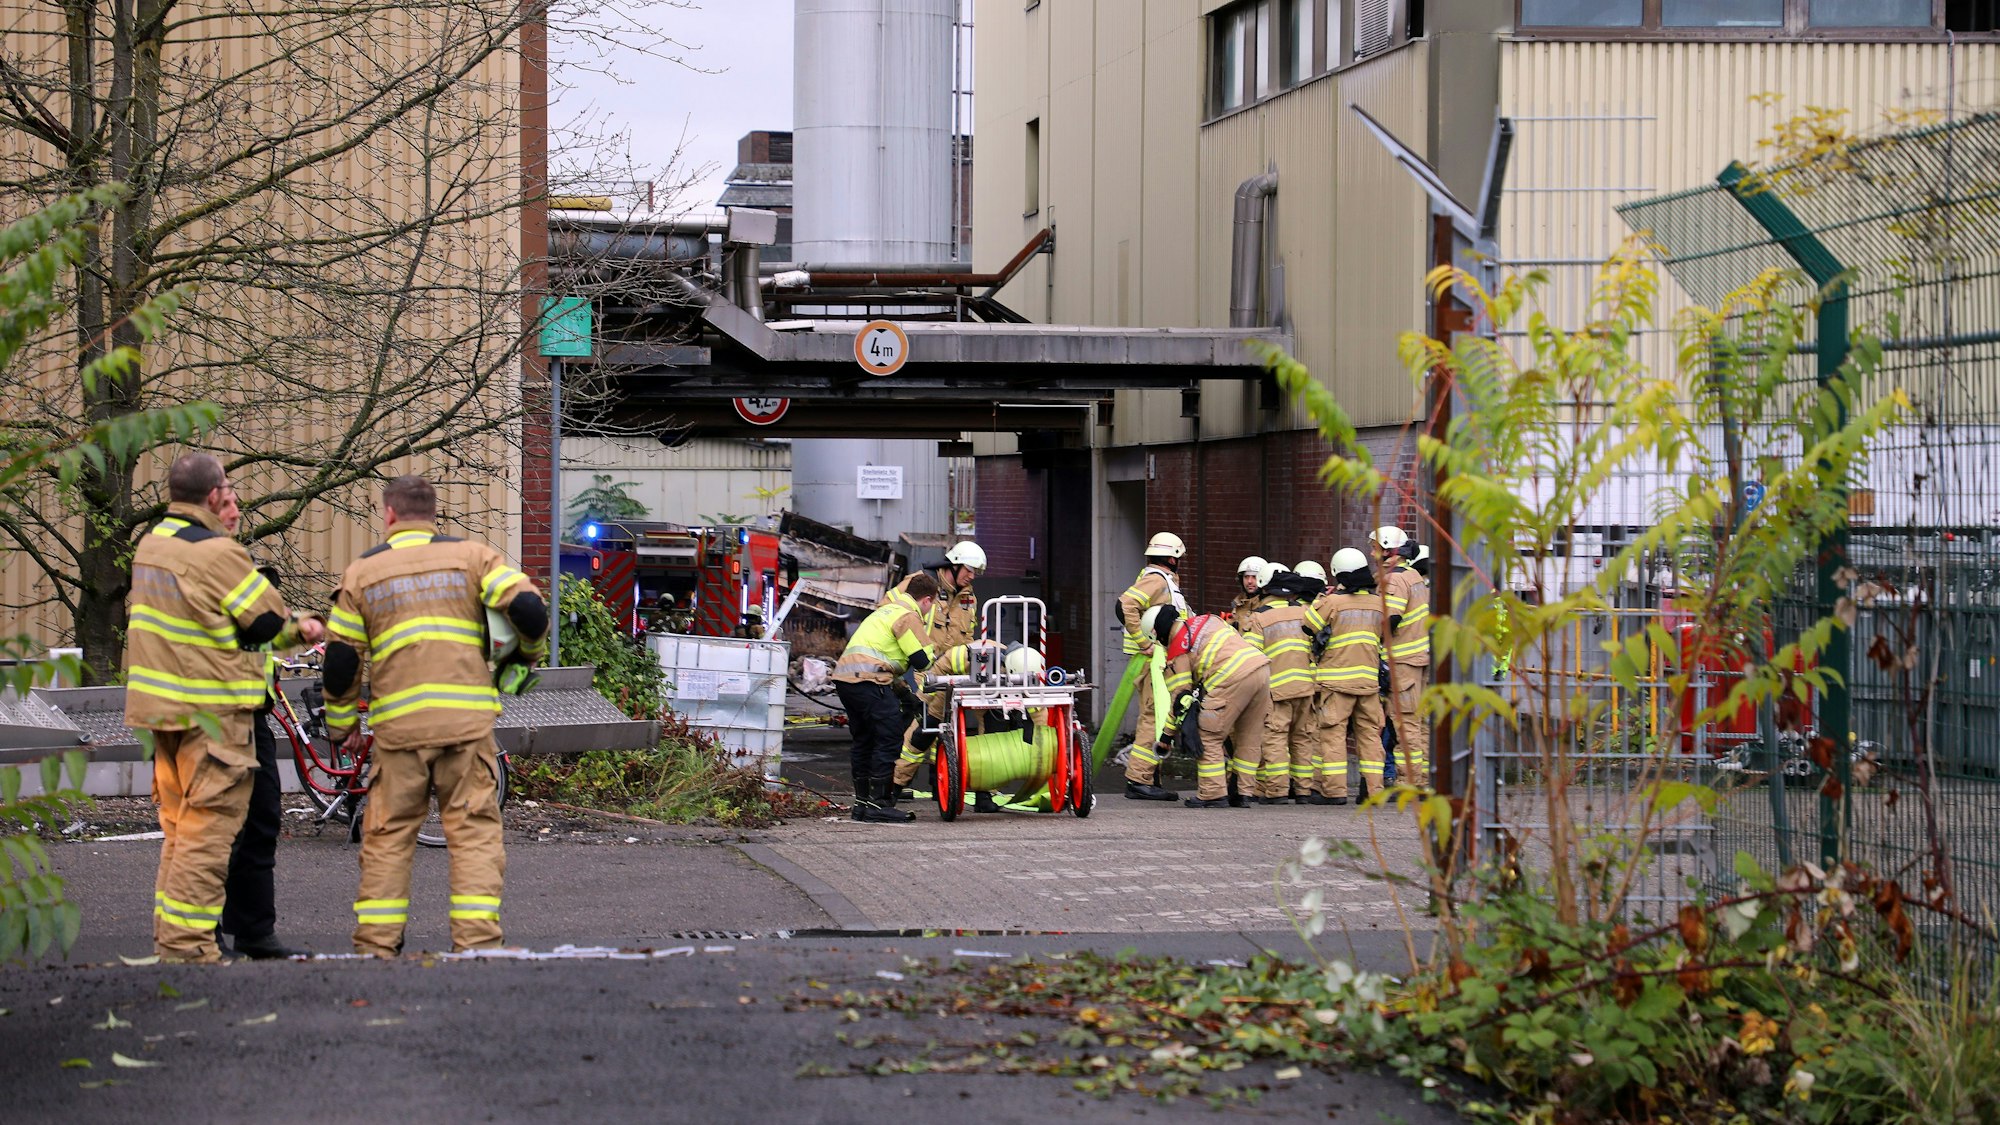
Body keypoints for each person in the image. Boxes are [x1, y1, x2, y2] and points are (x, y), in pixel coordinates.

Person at [323, 475, 548, 957]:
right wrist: (524, 657)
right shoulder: (473, 558)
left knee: (387, 838)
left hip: (400, 733)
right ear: (433, 514)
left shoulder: (362, 574)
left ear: (389, 514)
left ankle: (376, 947)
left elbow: (340, 661)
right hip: (466, 729)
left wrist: (342, 728)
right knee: (473, 836)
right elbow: (530, 609)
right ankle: (477, 944)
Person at [126, 453, 323, 963]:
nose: (234, 508)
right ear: (213, 496)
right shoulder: (216, 552)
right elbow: (265, 622)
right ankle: (190, 947)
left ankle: (211, 935)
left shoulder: (152, 544)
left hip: (168, 712)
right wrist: (306, 627)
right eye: (230, 496)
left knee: (192, 830)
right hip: (213, 715)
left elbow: (212, 621)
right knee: (207, 833)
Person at [220, 552, 307, 961]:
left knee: (262, 822)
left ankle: (255, 931)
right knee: (219, 832)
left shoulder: (256, 625)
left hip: (255, 721)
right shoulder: (216, 612)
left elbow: (269, 639)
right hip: (218, 722)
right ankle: (202, 932)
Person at [887, 542, 994, 809]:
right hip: (927, 670)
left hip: (956, 670)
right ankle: (893, 787)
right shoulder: (921, 585)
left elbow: (967, 637)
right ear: (953, 565)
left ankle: (961, 787)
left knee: (980, 717)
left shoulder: (969, 598)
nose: (972, 576)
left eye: (975, 572)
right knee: (925, 727)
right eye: (969, 570)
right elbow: (888, 612)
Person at [833, 571, 940, 823]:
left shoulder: (885, 611)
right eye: (932, 604)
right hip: (869, 681)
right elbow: (921, 660)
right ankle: (879, 804)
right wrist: (935, 655)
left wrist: (904, 694)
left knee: (864, 740)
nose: (930, 610)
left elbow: (882, 658)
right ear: (926, 600)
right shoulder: (908, 616)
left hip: (847, 680)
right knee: (889, 737)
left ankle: (861, 805)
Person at [1144, 604, 1272, 808]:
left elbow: (1180, 700)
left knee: (1208, 734)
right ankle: (1241, 793)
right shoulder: (1208, 620)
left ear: (1157, 633)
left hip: (1232, 677)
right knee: (1249, 736)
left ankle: (1212, 793)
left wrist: (1166, 737)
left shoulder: (1178, 650)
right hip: (1261, 669)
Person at [1303, 548, 1388, 803]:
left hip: (1337, 683)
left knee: (1333, 737)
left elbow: (1308, 625)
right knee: (1370, 737)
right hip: (1368, 684)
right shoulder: (1378, 603)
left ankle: (1335, 792)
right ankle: (1374, 790)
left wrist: (1323, 597)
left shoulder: (1333, 602)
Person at [1119, 532, 1189, 800]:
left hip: (1162, 660)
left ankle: (1150, 777)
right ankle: (1139, 779)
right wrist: (1143, 643)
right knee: (1153, 717)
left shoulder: (1165, 581)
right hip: (1153, 661)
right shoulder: (1156, 580)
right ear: (1172, 558)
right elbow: (1126, 604)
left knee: (1160, 716)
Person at [1241, 563, 1317, 805]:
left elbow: (1251, 656)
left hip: (1277, 690)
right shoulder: (1305, 612)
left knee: (1275, 739)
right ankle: (1304, 791)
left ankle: (1277, 791)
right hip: (1305, 686)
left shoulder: (1259, 617)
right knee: (1302, 738)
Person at [1381, 537, 1433, 789]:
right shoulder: (1415, 578)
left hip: (1403, 661)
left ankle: (1409, 782)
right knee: (1420, 723)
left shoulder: (1396, 579)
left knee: (1406, 723)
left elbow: (1390, 619)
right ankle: (1422, 779)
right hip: (1420, 659)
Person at [1228, 556, 1268, 629]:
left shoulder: (1268, 605)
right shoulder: (1237, 604)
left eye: (1254, 577)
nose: (1249, 581)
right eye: (1246, 577)